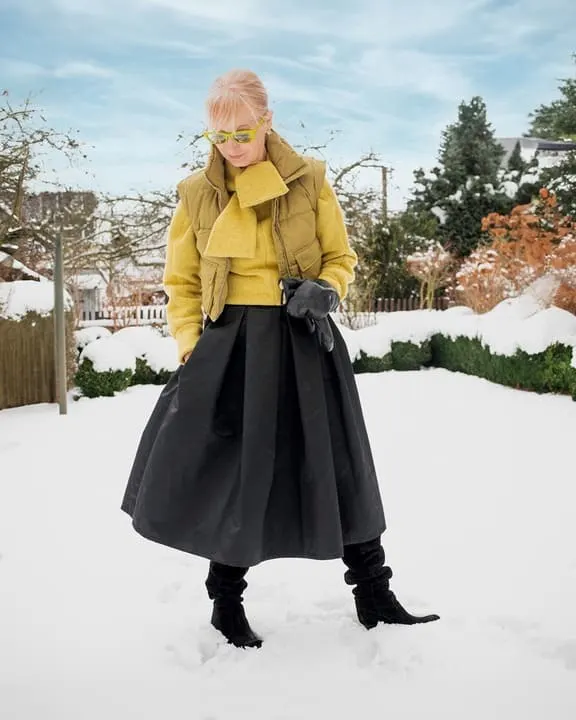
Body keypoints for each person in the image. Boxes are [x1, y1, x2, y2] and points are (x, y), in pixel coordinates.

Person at [121, 69, 439, 649]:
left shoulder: (310, 180)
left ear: (267, 121)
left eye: (242, 133)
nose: (231, 147)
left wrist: (328, 289)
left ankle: (374, 593)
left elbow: (341, 255)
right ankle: (225, 602)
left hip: (302, 338)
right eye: (218, 137)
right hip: (231, 349)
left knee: (338, 464)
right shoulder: (195, 194)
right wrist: (190, 345)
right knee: (239, 476)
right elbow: (182, 281)